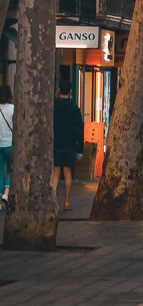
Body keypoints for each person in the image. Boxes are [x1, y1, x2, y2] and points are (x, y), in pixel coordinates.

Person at [53, 81, 84, 213]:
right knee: (67, 174)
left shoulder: (52, 106)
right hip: (69, 145)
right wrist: (80, 149)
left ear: (59, 90)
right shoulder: (74, 108)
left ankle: (53, 202)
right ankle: (66, 202)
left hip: (55, 145)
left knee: (55, 174)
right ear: (71, 91)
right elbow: (79, 129)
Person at [0, 84, 12, 206]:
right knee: (11, 169)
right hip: (9, 144)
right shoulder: (13, 109)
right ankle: (6, 192)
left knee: (0, 172)